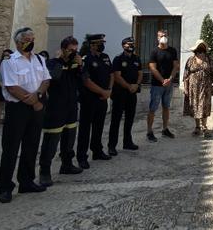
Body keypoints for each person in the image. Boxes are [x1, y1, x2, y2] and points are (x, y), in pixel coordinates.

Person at [0, 27, 50, 203]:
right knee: (11, 149)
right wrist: (34, 101)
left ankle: (26, 181)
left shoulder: (39, 60)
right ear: (18, 42)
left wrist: (39, 96)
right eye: (27, 38)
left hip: (36, 106)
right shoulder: (9, 61)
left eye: (32, 38)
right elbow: (11, 87)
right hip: (18, 108)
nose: (31, 41)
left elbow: (46, 80)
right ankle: (5, 187)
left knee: (32, 145)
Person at [39, 36, 83, 187]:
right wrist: (59, 61)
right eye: (70, 50)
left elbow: (83, 79)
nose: (73, 53)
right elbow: (54, 77)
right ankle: (44, 172)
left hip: (71, 106)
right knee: (51, 141)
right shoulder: (52, 63)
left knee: (69, 138)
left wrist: (80, 65)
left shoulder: (75, 64)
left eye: (75, 50)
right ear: (63, 49)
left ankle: (67, 164)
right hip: (56, 107)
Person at [77, 34, 113, 168]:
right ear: (92, 45)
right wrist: (103, 92)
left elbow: (111, 74)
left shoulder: (105, 57)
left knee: (99, 126)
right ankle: (82, 156)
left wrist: (109, 90)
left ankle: (97, 150)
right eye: (99, 43)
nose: (102, 45)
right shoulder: (86, 59)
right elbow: (86, 81)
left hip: (103, 98)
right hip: (89, 99)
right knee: (85, 129)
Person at [108, 37, 141, 154]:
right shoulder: (118, 59)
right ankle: (112, 146)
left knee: (130, 119)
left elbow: (140, 73)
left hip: (132, 94)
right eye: (129, 44)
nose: (131, 46)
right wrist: (128, 86)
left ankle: (127, 142)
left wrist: (136, 85)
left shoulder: (136, 59)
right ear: (123, 46)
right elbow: (117, 76)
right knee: (116, 120)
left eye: (133, 43)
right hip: (120, 94)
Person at [147, 29, 179, 142]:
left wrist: (170, 79)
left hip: (169, 84)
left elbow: (176, 66)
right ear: (157, 38)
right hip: (157, 85)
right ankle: (149, 132)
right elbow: (152, 68)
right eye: (161, 35)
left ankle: (165, 129)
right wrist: (162, 80)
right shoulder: (154, 52)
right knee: (153, 108)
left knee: (166, 107)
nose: (163, 37)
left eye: (165, 35)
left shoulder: (172, 51)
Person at [183, 40, 213, 138]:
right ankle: (197, 127)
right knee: (195, 106)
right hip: (193, 88)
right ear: (196, 49)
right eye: (199, 48)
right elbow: (186, 75)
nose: (201, 50)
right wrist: (185, 88)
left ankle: (204, 127)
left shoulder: (209, 59)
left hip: (205, 87)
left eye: (202, 48)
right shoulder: (190, 60)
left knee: (204, 106)